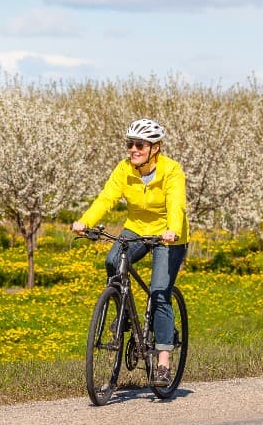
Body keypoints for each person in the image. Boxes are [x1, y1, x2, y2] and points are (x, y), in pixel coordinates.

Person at [71, 118, 190, 387]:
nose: (133, 150)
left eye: (139, 145)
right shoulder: (124, 169)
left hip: (168, 235)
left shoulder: (172, 171)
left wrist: (171, 229)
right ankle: (122, 311)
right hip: (136, 228)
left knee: (159, 291)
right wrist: (85, 222)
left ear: (155, 148)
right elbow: (106, 198)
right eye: (130, 144)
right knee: (112, 260)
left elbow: (176, 204)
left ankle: (162, 363)